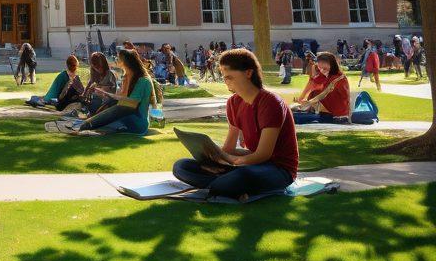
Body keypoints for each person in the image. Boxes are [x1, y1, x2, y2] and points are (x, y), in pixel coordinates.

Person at [172, 49, 299, 200]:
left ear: (248, 73)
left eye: (230, 77)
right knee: (182, 166)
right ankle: (228, 186)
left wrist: (232, 161)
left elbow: (264, 154)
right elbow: (229, 148)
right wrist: (214, 159)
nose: (226, 81)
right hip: (251, 164)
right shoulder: (233, 103)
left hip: (278, 169)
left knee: (240, 176)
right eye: (224, 77)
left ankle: (226, 185)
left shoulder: (271, 103)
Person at [74, 47, 157, 135]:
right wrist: (105, 94)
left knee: (117, 106)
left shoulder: (143, 80)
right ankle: (88, 124)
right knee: (111, 102)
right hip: (126, 115)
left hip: (137, 121)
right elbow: (121, 97)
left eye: (118, 58)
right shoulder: (127, 77)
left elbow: (132, 103)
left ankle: (86, 125)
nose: (116, 59)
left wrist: (110, 95)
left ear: (126, 62)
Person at [291, 52, 351, 121]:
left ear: (332, 65)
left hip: (338, 115)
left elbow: (323, 94)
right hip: (328, 110)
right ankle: (311, 109)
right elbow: (312, 82)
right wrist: (302, 99)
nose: (322, 71)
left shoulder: (337, 78)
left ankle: (311, 109)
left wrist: (308, 103)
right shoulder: (327, 74)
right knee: (314, 93)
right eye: (320, 68)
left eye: (324, 68)